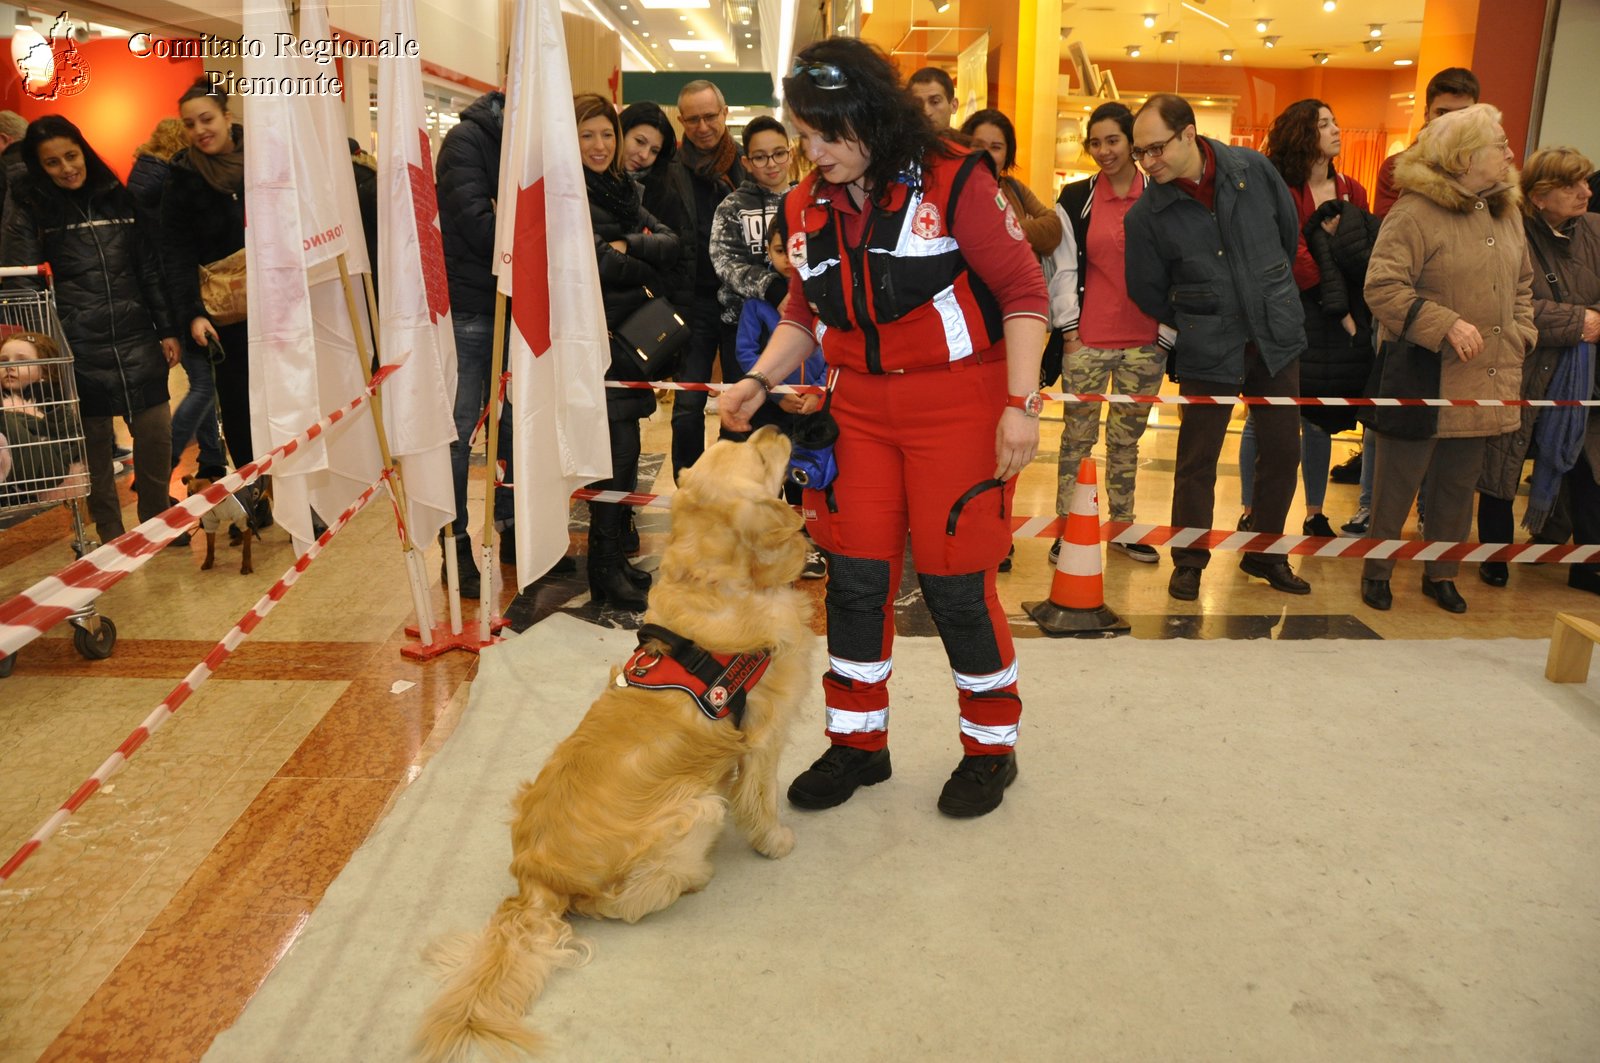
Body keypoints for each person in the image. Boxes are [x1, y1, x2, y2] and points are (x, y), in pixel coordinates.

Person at [721, 38, 1048, 819]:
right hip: (857, 409)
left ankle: (989, 749)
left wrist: (1021, 404)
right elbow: (805, 308)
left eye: (827, 133)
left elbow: (1024, 290)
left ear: (871, 117)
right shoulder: (806, 203)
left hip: (959, 407)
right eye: (805, 133)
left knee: (956, 587)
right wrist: (759, 377)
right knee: (859, 582)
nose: (813, 150)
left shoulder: (957, 176)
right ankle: (859, 743)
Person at [1124, 93, 1311, 602]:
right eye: (1141, 153)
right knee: (1197, 457)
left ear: (1190, 134)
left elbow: (1287, 231)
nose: (1148, 162)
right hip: (1210, 342)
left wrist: (1266, 289)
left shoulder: (1251, 169)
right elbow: (1146, 290)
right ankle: (1189, 560)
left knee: (1282, 448)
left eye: (1156, 148)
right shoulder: (1147, 215)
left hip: (1274, 333)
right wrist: (1199, 307)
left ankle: (1265, 552)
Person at [1359, 103, 1533, 614]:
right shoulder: (1413, 212)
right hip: (1423, 372)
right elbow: (1382, 286)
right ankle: (1378, 570)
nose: (1509, 153)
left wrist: (1521, 332)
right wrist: (1444, 323)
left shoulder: (1508, 211)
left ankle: (1442, 573)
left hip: (1485, 375)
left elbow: (1522, 285)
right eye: (1497, 145)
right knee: (1397, 485)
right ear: (1462, 158)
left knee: (1459, 487)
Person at [2, 114, 178, 543]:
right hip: (77, 346)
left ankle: (157, 522)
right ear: (37, 166)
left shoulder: (116, 197)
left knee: (156, 435)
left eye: (71, 155)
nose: (66, 168)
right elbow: (22, 284)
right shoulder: (30, 207)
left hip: (136, 335)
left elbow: (147, 267)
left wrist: (166, 327)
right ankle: (111, 534)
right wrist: (47, 349)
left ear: (84, 151)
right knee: (95, 448)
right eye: (52, 162)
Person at [1239, 99, 1376, 539]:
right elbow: (1282, 249)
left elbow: (1361, 250)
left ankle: (1315, 511)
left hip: (1332, 318)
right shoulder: (1277, 184)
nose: (1336, 129)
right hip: (1285, 310)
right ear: (1302, 133)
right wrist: (1325, 267)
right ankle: (1250, 508)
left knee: (1319, 414)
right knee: (1264, 416)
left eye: (1336, 121)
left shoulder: (1353, 188)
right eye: (1324, 124)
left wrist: (1328, 261)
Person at [1476, 148, 1600, 591]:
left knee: (1589, 469)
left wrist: (1591, 320)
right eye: (1573, 185)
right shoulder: (1510, 232)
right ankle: (1494, 557)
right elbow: (1506, 302)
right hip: (1522, 367)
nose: (1587, 191)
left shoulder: (1595, 229)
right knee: (1503, 466)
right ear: (1542, 195)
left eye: (1586, 182)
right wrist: (1580, 321)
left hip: (1585, 374)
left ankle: (1588, 564)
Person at [1047, 101, 1162, 566]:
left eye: (1112, 140)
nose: (1103, 150)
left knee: (1126, 441)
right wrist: (1070, 333)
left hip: (1144, 343)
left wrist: (1165, 335)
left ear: (1132, 142)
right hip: (1087, 341)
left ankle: (1123, 527)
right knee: (1076, 440)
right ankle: (1066, 530)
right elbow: (1060, 269)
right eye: (1094, 142)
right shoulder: (1075, 199)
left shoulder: (1161, 195)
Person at [579, 91, 680, 611]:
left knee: (627, 453)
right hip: (598, 340)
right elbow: (598, 264)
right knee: (613, 459)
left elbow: (670, 240)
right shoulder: (572, 193)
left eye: (607, 135)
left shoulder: (619, 189)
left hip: (629, 338)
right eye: (587, 134)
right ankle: (603, 571)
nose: (601, 146)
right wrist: (642, 259)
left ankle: (616, 561)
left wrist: (631, 246)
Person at [435, 88, 518, 599]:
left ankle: (510, 532)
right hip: (471, 308)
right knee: (459, 434)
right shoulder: (468, 140)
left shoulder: (532, 144)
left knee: (514, 428)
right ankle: (454, 546)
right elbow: (481, 224)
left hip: (521, 310)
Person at [129, 116, 227, 483]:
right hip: (180, 295)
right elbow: (176, 250)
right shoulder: (168, 184)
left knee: (202, 381)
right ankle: (162, 463)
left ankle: (213, 460)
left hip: (165, 295)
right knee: (204, 384)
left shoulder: (142, 179)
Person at [160, 79, 250, 476]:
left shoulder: (264, 160)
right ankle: (257, 485)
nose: (200, 130)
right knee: (237, 406)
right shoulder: (182, 180)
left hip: (279, 306)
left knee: (287, 399)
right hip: (225, 317)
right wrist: (193, 313)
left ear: (228, 117)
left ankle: (301, 497)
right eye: (190, 123)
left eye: (207, 119)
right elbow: (175, 254)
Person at [734, 221, 828, 580]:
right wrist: (774, 392)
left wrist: (816, 392)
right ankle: (766, 544)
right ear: (767, 254)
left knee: (804, 479)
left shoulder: (824, 295)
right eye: (778, 251)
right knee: (767, 479)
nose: (789, 259)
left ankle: (807, 545)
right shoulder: (757, 304)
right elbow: (746, 353)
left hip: (811, 409)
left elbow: (835, 350)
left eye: (796, 250)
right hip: (771, 410)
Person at [671, 80, 741, 481]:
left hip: (741, 306)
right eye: (693, 118)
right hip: (692, 304)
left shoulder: (747, 166)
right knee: (685, 407)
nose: (702, 126)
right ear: (681, 120)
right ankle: (689, 487)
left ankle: (729, 487)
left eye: (710, 116)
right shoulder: (671, 171)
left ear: (724, 113)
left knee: (740, 400)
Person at [709, 115, 795, 438]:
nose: (771, 163)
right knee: (744, 427)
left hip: (800, 328)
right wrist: (773, 289)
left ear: (790, 153)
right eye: (760, 156)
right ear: (746, 161)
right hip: (744, 331)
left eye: (778, 153)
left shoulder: (808, 202)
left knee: (797, 427)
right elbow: (725, 261)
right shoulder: (731, 207)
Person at [1374, 68, 1479, 219]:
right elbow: (1391, 232)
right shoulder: (1394, 169)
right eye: (1442, 113)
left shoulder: (1492, 167)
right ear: (1426, 114)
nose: (1452, 122)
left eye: (1463, 114)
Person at [959, 109, 1062, 257]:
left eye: (996, 147)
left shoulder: (1013, 188)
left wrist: (1009, 229)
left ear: (1008, 154)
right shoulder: (956, 191)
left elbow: (1053, 228)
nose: (986, 155)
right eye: (978, 145)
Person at [0, 331, 84, 503]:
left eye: (22, 361)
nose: (9, 366)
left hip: (46, 469)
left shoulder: (53, 400)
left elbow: (67, 440)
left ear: (46, 369)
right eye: (3, 361)